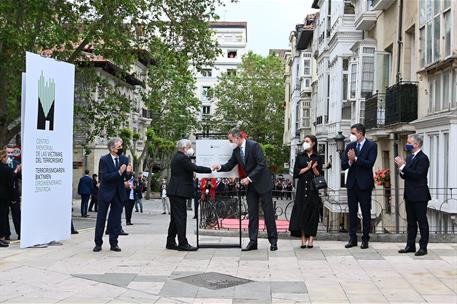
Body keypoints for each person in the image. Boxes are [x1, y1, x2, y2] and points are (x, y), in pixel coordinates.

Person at [212, 128, 278, 251]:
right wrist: (219, 166)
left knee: (268, 214)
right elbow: (230, 165)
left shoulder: (254, 146)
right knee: (252, 215)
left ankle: (273, 241)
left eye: (231, 140)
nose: (230, 142)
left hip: (263, 184)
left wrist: (249, 178)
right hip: (251, 187)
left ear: (237, 138)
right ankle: (253, 242)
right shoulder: (236, 151)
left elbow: (261, 164)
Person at [166, 139, 212, 251]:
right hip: (178, 192)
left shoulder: (178, 156)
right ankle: (182, 243)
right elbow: (195, 168)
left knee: (175, 218)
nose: (191, 149)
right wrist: (210, 169)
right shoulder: (182, 158)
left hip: (176, 191)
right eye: (190, 146)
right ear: (184, 148)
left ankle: (170, 241)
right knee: (181, 217)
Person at [341, 123, 377, 249]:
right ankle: (352, 238)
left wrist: (355, 158)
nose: (352, 135)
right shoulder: (350, 146)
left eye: (353, 133)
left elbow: (369, 163)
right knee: (352, 212)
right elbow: (343, 164)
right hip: (352, 184)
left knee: (366, 212)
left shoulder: (372, 145)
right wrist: (350, 161)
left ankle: (365, 238)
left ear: (361, 133)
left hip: (364, 184)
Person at [93, 138, 132, 253]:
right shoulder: (104, 160)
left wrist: (128, 172)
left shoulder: (124, 158)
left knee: (115, 220)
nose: (121, 149)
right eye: (119, 147)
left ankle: (114, 243)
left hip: (118, 193)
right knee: (101, 218)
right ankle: (98, 243)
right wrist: (119, 172)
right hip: (105, 193)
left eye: (121, 146)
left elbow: (126, 177)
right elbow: (105, 177)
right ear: (112, 148)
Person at [395, 134, 431, 256]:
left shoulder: (423, 158)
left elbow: (417, 175)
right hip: (409, 194)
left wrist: (403, 166)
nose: (407, 143)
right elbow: (406, 176)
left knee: (422, 222)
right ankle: (410, 245)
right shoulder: (410, 157)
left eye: (409, 142)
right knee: (411, 222)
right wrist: (401, 169)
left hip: (420, 195)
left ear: (416, 144)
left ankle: (423, 247)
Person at [289, 135, 322, 248]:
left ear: (313, 143)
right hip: (302, 187)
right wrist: (308, 168)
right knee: (302, 212)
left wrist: (313, 169)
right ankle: (303, 239)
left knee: (313, 213)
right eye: (304, 141)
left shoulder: (317, 157)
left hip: (313, 188)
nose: (305, 143)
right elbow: (296, 173)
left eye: (307, 141)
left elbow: (319, 174)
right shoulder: (300, 156)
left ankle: (311, 239)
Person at [0, 149, 20, 247]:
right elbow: (10, 181)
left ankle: (4, 237)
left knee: (12, 215)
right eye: (7, 155)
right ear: (3, 158)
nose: (9, 157)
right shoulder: (6, 168)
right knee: (3, 217)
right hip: (5, 196)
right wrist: (16, 171)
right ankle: (4, 236)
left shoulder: (15, 163)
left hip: (8, 195)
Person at [5, 144, 21, 240]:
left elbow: (21, 178)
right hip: (4, 194)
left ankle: (20, 233)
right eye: (8, 152)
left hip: (14, 193)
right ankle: (6, 234)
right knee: (4, 215)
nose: (10, 154)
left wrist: (20, 171)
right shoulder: (2, 163)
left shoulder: (16, 163)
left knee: (17, 215)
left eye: (11, 153)